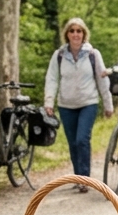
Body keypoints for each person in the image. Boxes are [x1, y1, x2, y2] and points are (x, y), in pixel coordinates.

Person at [43, 17, 113, 192]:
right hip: (66, 105)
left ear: (84, 34)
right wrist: (49, 101)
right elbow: (51, 78)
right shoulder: (59, 55)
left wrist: (108, 104)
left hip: (88, 103)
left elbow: (102, 79)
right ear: (67, 34)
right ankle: (78, 177)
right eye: (72, 31)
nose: (75, 34)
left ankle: (86, 179)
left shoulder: (92, 54)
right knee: (73, 142)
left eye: (79, 31)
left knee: (82, 139)